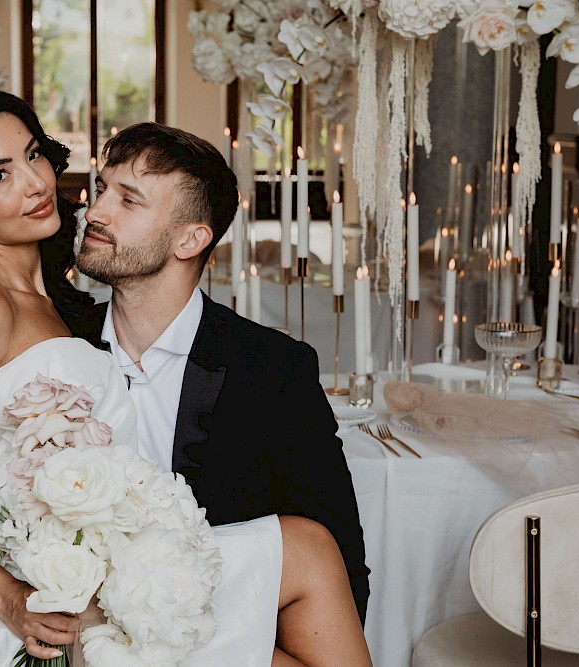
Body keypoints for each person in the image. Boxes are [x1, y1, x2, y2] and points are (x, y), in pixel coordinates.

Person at [0, 89, 370, 666]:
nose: (42, 186)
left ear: (191, 239)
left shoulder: (60, 311)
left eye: (34, 154)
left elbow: (350, 561)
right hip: (66, 604)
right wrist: (7, 596)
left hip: (146, 583)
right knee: (307, 554)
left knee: (313, 554)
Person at [75, 122, 372, 650]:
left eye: (129, 200)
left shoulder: (273, 371)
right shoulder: (56, 345)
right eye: (102, 190)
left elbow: (341, 561)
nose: (96, 212)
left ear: (191, 239)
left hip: (220, 630)